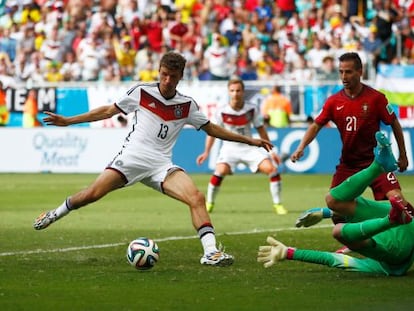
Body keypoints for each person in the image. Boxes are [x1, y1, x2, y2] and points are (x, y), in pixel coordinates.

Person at [33, 52, 274, 266]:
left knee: (196, 197)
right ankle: (54, 213)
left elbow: (212, 129)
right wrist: (68, 120)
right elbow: (107, 111)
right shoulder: (141, 92)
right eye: (164, 74)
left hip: (161, 164)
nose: (167, 81)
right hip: (132, 158)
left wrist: (250, 141)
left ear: (181, 77)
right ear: (159, 72)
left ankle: (210, 253)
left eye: (173, 76)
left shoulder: (187, 105)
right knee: (92, 194)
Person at [258, 132, 414, 276]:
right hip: (403, 227)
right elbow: (333, 259)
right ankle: (378, 167)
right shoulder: (370, 249)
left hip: (400, 235)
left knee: (335, 212)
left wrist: (288, 252)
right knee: (335, 213)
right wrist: (290, 253)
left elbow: (333, 259)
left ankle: (378, 170)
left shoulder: (377, 264)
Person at [291, 52, 408, 228]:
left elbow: (395, 124)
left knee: (397, 200)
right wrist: (301, 147)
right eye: (341, 72)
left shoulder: (376, 98)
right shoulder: (333, 101)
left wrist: (403, 155)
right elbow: (316, 126)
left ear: (360, 72)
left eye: (349, 72)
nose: (344, 77)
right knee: (337, 213)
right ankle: (354, 244)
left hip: (376, 163)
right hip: (348, 164)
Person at [196, 78, 287, 215]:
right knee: (219, 172)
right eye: (232, 91)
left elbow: (261, 129)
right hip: (229, 148)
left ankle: (278, 204)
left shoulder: (251, 109)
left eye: (238, 90)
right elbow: (212, 132)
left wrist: (272, 151)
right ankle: (210, 203)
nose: (235, 93)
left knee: (272, 169)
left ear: (243, 92)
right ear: (228, 92)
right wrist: (206, 152)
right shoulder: (221, 111)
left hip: (249, 147)